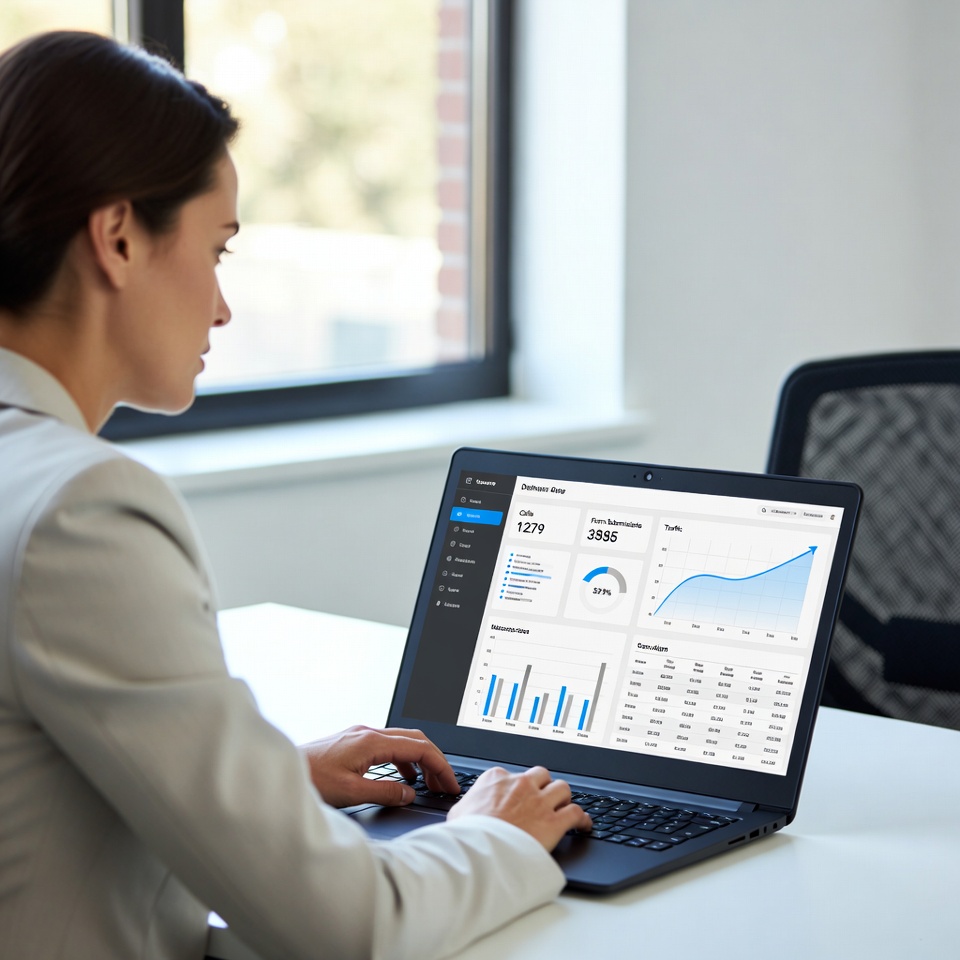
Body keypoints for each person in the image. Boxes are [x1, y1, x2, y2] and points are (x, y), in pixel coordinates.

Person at [0, 31, 591, 960]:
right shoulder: (82, 509)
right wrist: (499, 836)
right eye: (217, 249)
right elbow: (347, 926)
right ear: (117, 238)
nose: (222, 308)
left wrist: (272, 782)